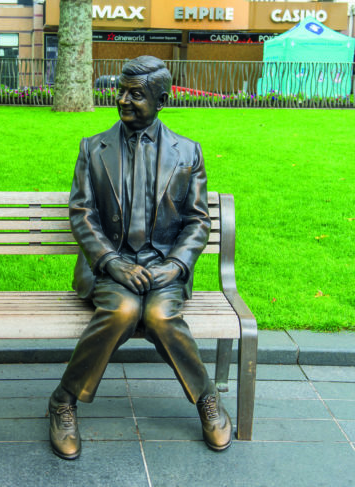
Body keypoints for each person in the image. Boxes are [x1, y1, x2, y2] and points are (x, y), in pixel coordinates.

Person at [48, 56, 232, 460]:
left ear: (161, 99)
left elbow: (198, 221)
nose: (123, 100)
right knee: (122, 311)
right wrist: (110, 262)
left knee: (160, 316)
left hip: (164, 265)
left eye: (136, 94)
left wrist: (176, 265)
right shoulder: (93, 148)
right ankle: (64, 401)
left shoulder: (189, 153)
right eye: (121, 91)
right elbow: (82, 212)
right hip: (113, 265)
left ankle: (206, 397)